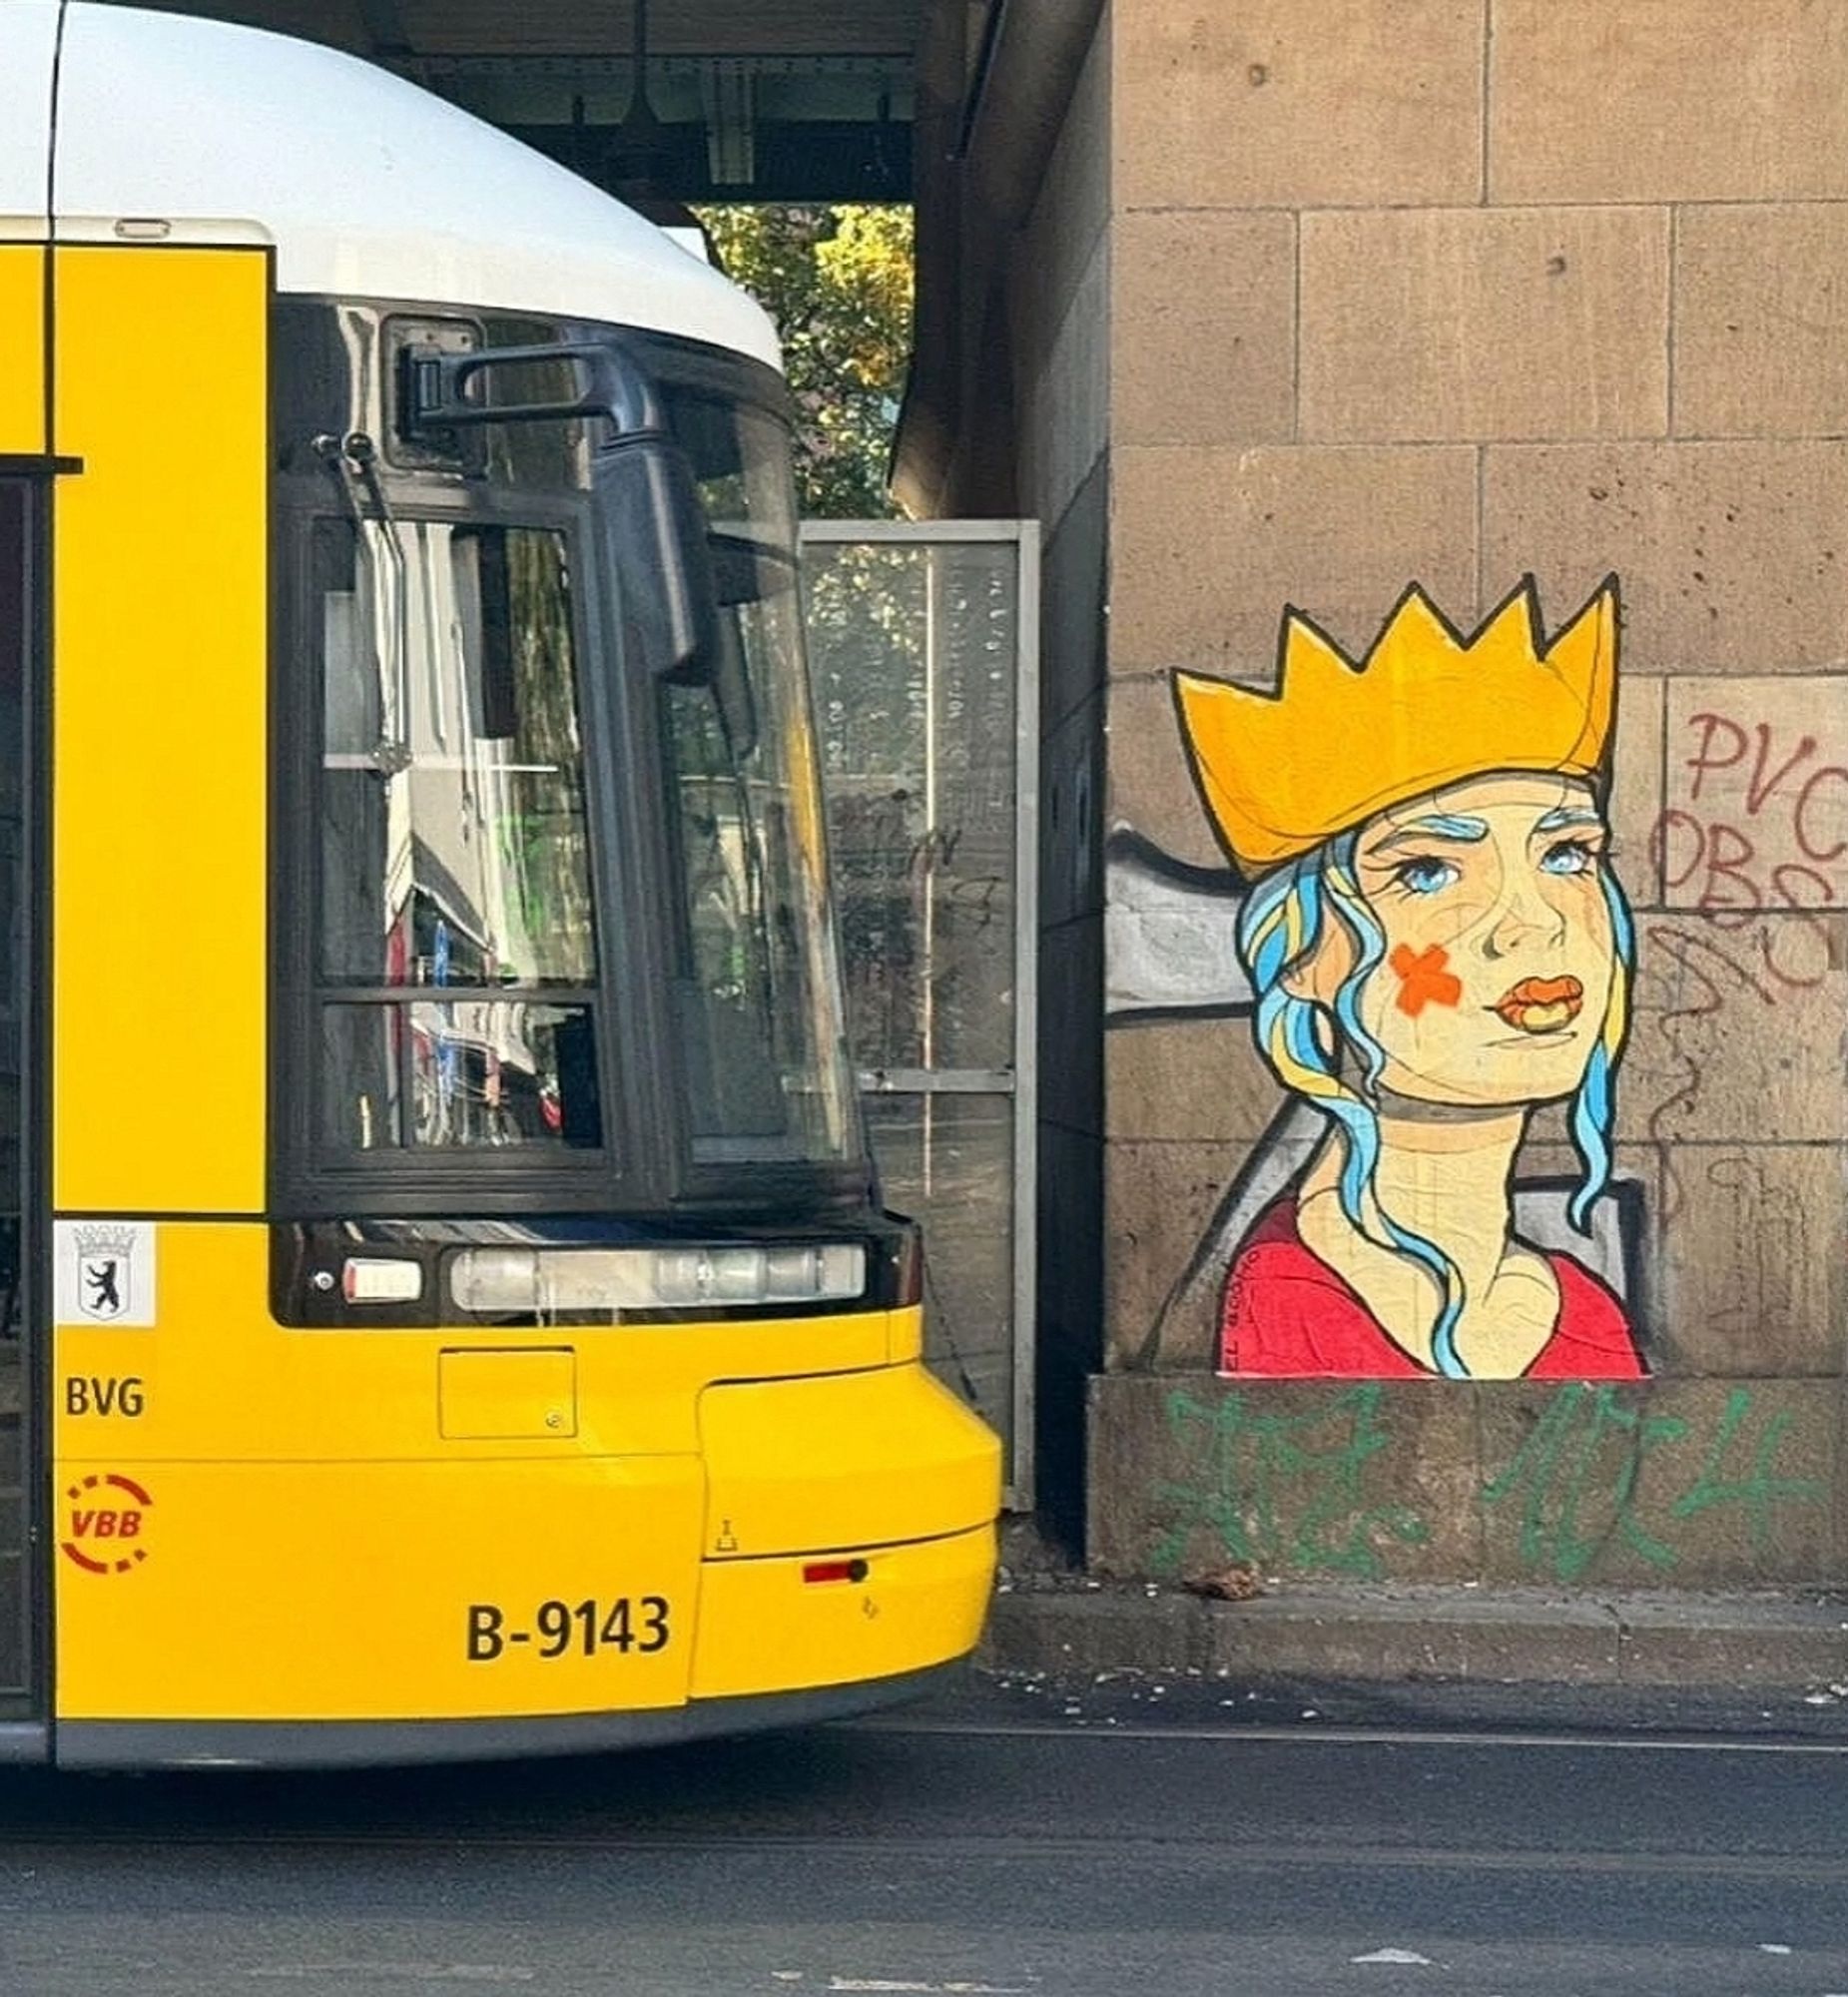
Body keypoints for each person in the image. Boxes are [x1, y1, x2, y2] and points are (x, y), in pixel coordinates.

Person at [1173, 577, 1643, 1381]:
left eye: (1565, 855)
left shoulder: (1587, 1318)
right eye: (1427, 870)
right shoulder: (1296, 1305)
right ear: (1306, 957)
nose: (1533, 923)